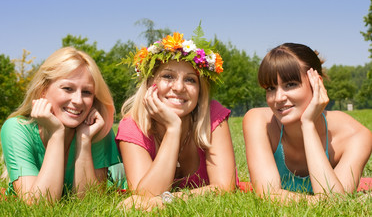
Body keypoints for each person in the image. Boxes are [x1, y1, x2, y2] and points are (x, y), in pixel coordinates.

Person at [116, 27, 237, 210]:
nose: (179, 87)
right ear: (150, 83)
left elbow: (224, 188)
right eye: (168, 76)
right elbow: (145, 196)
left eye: (190, 80)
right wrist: (173, 129)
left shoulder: (212, 115)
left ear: (200, 89)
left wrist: (167, 200)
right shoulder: (132, 125)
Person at [243, 43, 372, 202]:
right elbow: (267, 194)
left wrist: (308, 125)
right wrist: (320, 201)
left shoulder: (356, 136)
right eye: (271, 88)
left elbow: (336, 204)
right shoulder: (259, 122)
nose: (278, 98)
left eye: (290, 84)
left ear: (316, 83)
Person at [0, 47, 121, 203]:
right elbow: (38, 205)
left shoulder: (97, 130)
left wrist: (84, 140)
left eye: (87, 92)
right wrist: (56, 134)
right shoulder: (16, 129)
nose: (78, 100)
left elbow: (89, 203)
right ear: (43, 90)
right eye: (68, 88)